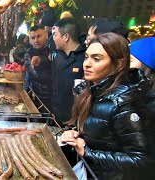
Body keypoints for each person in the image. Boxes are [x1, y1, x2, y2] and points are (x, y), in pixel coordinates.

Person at [62, 33, 154, 179]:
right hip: (90, 172)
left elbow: (141, 160)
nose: (87, 63)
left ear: (118, 64)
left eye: (96, 59)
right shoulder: (90, 91)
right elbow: (101, 134)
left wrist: (86, 151)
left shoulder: (123, 103)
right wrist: (75, 132)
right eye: (86, 57)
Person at [51, 17, 86, 125]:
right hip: (56, 115)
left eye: (55, 34)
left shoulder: (85, 58)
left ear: (66, 36)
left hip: (75, 120)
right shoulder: (57, 55)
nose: (53, 38)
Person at [24, 24, 52, 114]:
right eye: (33, 38)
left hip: (55, 98)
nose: (36, 40)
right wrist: (43, 61)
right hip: (37, 98)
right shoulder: (28, 54)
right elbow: (36, 75)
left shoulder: (54, 50)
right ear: (29, 40)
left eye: (39, 36)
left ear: (46, 35)